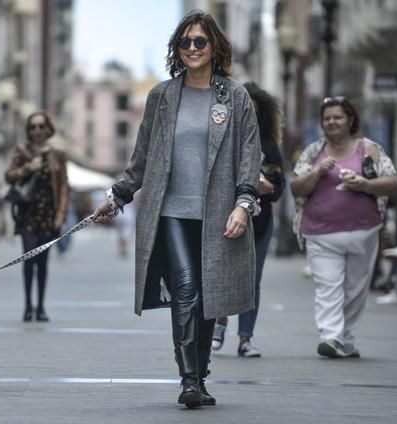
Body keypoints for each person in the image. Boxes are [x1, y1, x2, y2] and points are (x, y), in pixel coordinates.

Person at [93, 11, 261, 408]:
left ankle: (200, 376)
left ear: (214, 46)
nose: (191, 49)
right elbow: (143, 154)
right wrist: (118, 196)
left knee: (207, 297)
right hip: (169, 211)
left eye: (199, 42)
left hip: (219, 213)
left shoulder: (233, 97)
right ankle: (188, 380)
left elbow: (249, 154)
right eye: (184, 42)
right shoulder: (163, 96)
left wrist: (243, 202)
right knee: (185, 289)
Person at [290, 96, 397, 358]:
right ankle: (330, 336)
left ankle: (345, 339)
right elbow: (296, 187)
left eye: (337, 117)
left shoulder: (369, 149)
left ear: (350, 120)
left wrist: (365, 184)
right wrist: (317, 173)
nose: (332, 122)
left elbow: (393, 182)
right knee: (328, 287)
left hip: (364, 232)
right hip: (320, 233)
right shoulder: (314, 152)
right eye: (327, 118)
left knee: (355, 290)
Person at [211, 82, 285, 358]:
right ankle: (219, 323)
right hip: (224, 216)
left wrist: (264, 187)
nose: (249, 115)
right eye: (244, 108)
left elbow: (279, 187)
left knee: (253, 281)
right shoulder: (222, 139)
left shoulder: (269, 145)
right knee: (221, 274)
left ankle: (245, 339)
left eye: (254, 110)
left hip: (260, 222)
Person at [5, 112, 69, 323]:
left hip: (48, 214)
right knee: (28, 258)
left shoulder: (58, 154)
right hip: (28, 214)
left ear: (48, 129)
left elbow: (63, 187)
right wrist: (27, 168)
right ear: (28, 130)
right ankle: (27, 306)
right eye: (33, 127)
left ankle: (40, 306)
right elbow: (9, 176)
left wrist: (60, 214)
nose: (37, 131)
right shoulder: (22, 152)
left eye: (41, 126)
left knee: (43, 261)